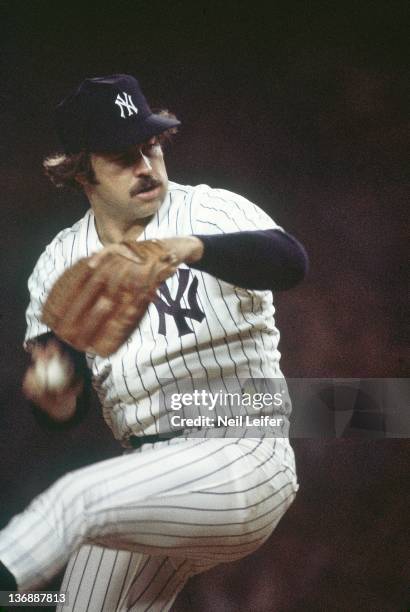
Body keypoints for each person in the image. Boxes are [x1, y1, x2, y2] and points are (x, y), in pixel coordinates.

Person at [0, 74, 307, 611]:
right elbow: (61, 398)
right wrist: (54, 395)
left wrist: (189, 248)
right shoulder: (59, 260)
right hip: (151, 476)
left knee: (72, 502)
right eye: (123, 156)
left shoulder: (210, 210)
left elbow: (289, 262)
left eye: (151, 147)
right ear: (81, 172)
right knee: (71, 603)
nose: (145, 166)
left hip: (243, 450)